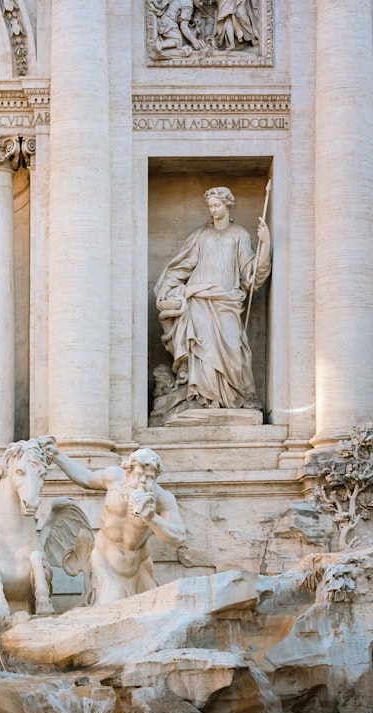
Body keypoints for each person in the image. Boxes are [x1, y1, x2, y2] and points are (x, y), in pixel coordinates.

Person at [154, 186, 270, 411]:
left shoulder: (240, 235)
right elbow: (183, 266)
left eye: (217, 205)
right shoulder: (200, 236)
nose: (213, 209)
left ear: (228, 205)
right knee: (202, 347)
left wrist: (265, 244)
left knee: (233, 346)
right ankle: (206, 398)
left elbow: (252, 274)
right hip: (199, 298)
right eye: (210, 206)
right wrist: (167, 288)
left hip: (227, 300)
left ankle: (232, 395)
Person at [49, 444, 186, 606]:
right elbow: (85, 478)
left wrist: (151, 517)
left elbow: (179, 537)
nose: (143, 481)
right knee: (109, 609)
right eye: (139, 474)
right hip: (105, 563)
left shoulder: (162, 499)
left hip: (139, 568)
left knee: (149, 616)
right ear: (128, 473)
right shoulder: (113, 478)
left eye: (149, 477)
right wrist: (57, 455)